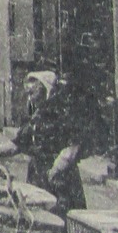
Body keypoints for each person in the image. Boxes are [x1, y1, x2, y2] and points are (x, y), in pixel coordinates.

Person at [15, 71, 87, 214]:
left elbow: (72, 148)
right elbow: (19, 143)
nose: (30, 98)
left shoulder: (60, 114)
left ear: (45, 90)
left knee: (61, 215)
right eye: (28, 94)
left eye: (33, 93)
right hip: (38, 174)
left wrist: (55, 169)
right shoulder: (37, 116)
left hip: (58, 174)